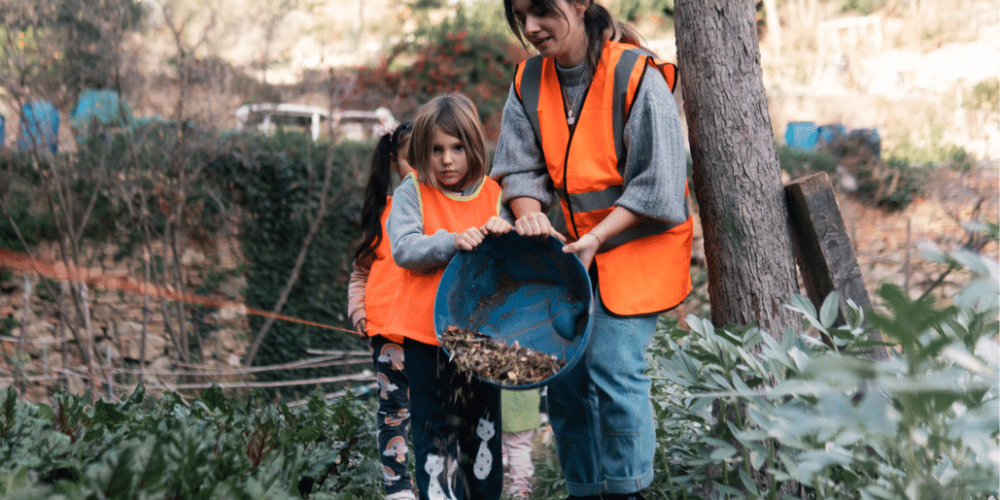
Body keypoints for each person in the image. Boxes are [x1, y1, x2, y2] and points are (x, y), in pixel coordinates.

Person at [490, 0, 694, 498]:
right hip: (577, 249)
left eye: (542, 10)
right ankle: (585, 489)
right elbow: (518, 168)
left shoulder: (636, 75)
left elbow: (661, 187)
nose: (533, 27)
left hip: (642, 242)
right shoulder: (528, 82)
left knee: (611, 364)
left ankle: (629, 489)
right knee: (562, 377)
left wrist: (599, 237)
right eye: (522, 16)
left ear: (580, 3)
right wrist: (527, 211)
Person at [386, 92, 514, 500]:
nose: (446, 159)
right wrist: (451, 241)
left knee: (483, 430)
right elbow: (404, 248)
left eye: (457, 148)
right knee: (433, 432)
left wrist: (503, 237)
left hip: (482, 338)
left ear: (474, 146)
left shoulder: (496, 196)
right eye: (437, 149)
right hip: (427, 338)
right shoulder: (414, 192)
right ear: (422, 151)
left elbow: (513, 264)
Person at [348, 121, 418, 500]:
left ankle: (439, 480)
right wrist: (359, 311)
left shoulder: (445, 212)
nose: (422, 167)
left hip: (431, 335)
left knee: (435, 416)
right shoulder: (381, 215)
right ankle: (398, 489)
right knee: (393, 413)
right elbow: (360, 272)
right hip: (388, 336)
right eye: (412, 159)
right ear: (393, 162)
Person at [501, 389, 542, 499]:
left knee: (492, 437)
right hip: (523, 398)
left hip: (493, 395)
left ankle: (503, 457)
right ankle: (520, 490)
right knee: (519, 446)